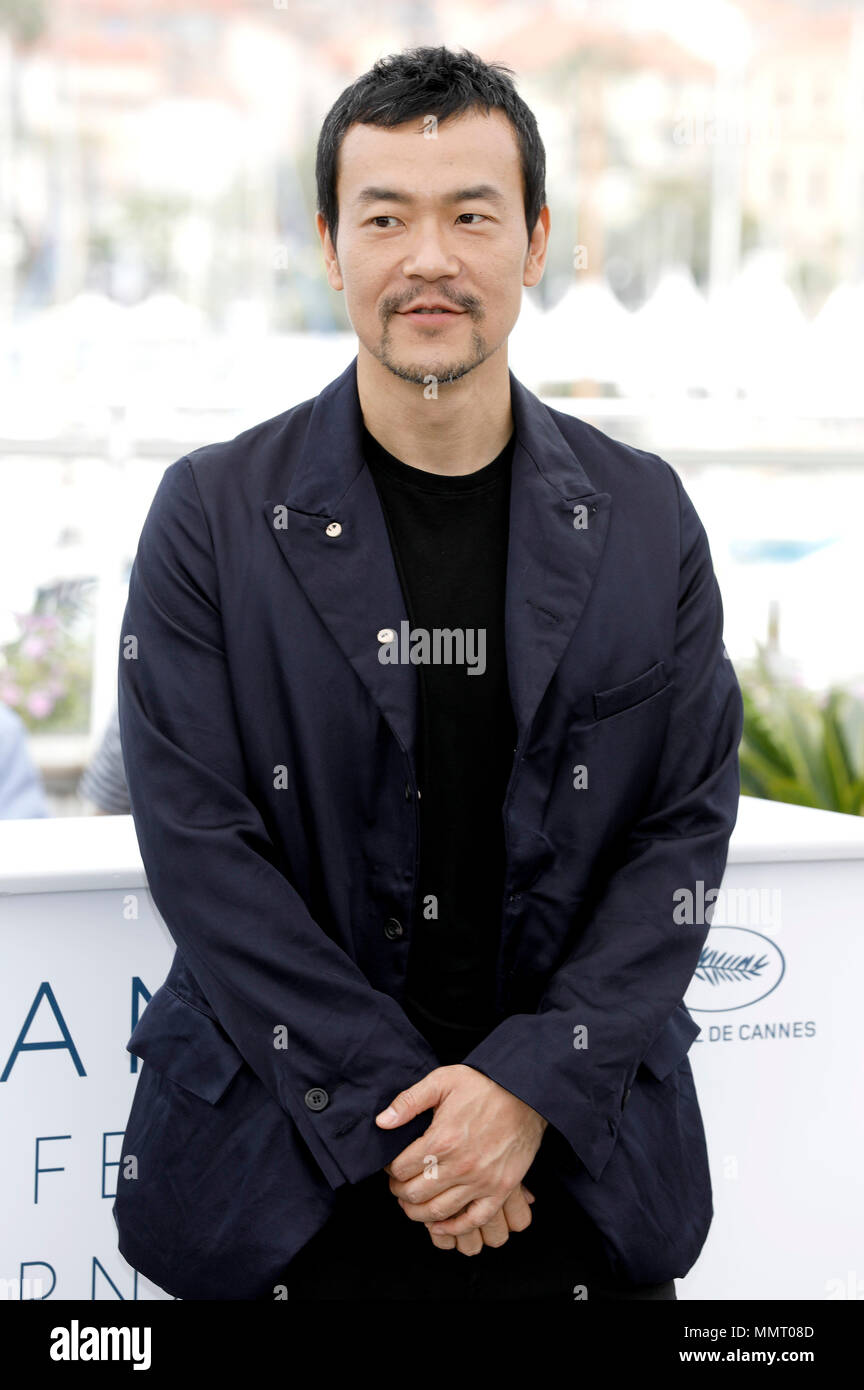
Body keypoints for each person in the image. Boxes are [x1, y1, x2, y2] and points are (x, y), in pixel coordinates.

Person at [113, 44, 743, 1303]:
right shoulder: (213, 514)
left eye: (472, 215)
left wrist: (523, 1090)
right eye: (385, 217)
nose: (430, 260)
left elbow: (680, 834)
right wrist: (413, 1125)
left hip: (575, 1177)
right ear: (332, 245)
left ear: (539, 237)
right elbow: (200, 845)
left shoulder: (644, 514)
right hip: (282, 1184)